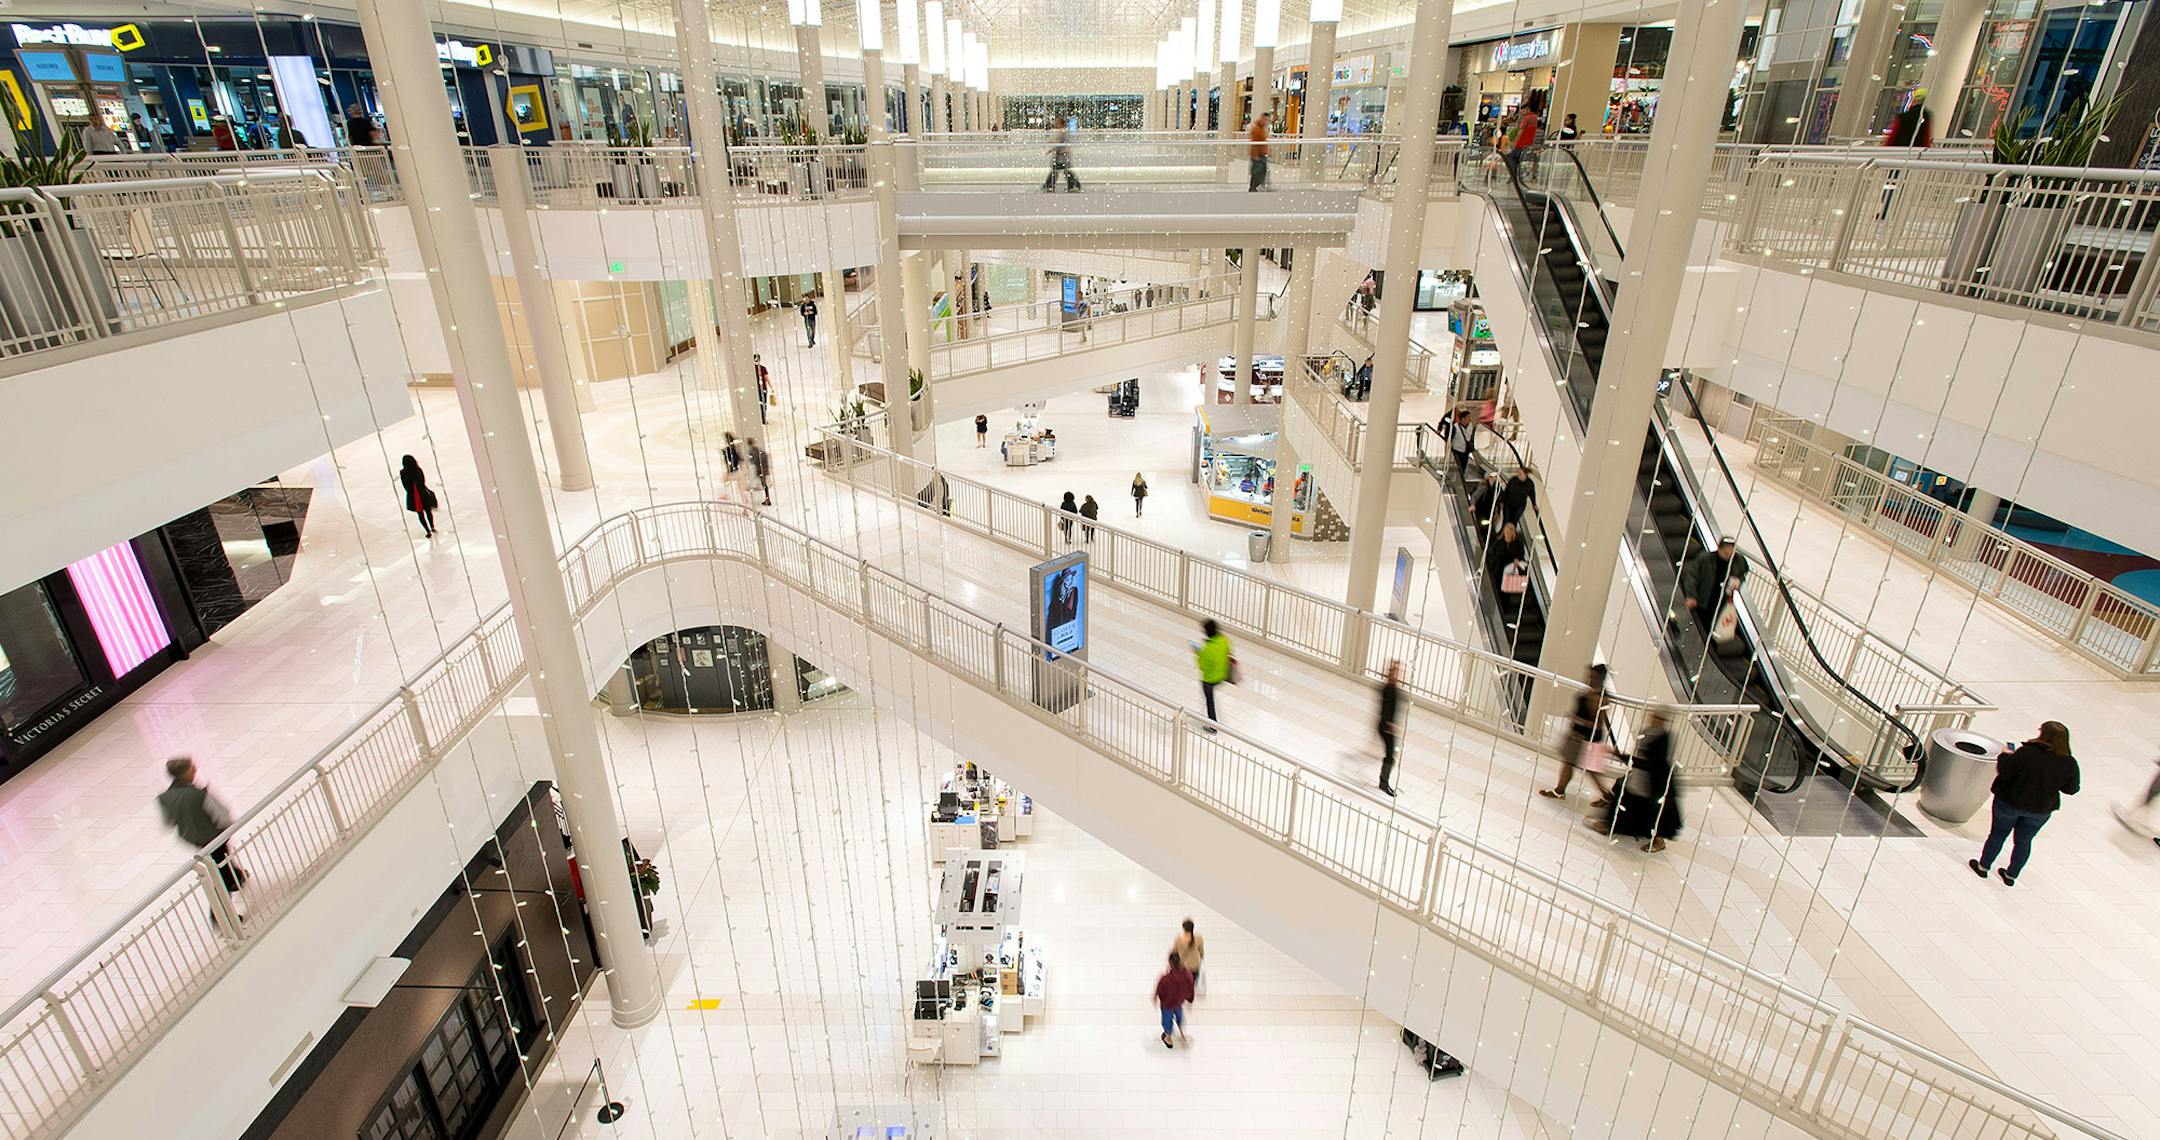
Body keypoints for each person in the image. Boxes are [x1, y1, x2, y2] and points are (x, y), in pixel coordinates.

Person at [1969, 722, 2080, 886]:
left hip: (2010, 803)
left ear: (2043, 735)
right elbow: (2071, 789)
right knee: (2024, 841)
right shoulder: (2069, 763)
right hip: (2040, 811)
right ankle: (2011, 875)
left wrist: (2005, 755)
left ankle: (1983, 866)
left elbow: (2005, 771)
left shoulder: (2027, 752)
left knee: (1998, 834)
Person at [1590, 708, 1681, 852]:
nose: (1653, 719)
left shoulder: (1662, 738)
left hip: (1653, 781)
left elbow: (1654, 762)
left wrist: (1624, 757)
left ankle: (1658, 840)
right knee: (1625, 797)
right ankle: (1611, 825)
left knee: (1653, 810)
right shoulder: (1648, 731)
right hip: (1640, 775)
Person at [158, 757, 246, 896]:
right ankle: (220, 912)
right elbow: (223, 815)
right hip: (214, 836)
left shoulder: (165, 797)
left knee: (220, 859)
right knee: (219, 867)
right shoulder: (200, 794)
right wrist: (227, 828)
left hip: (192, 837)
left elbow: (169, 822)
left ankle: (235, 877)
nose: (195, 769)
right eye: (193, 767)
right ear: (187, 773)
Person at [1544, 665, 1615, 802]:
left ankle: (1607, 797)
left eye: (1593, 677)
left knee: (1588, 769)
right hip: (1578, 736)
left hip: (1586, 738)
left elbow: (1598, 722)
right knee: (1572, 764)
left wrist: (1577, 720)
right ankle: (1560, 790)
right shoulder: (1592, 692)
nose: (1589, 679)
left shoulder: (1600, 696)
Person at [1681, 537, 1747, 632]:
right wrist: (1691, 596)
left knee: (1712, 625)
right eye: (1725, 550)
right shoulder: (1705, 559)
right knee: (1698, 624)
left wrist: (1739, 582)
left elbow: (1743, 573)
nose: (1728, 552)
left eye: (1730, 549)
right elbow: (1691, 576)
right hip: (1702, 600)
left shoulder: (1739, 561)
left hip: (1721, 602)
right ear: (1719, 548)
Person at [1193, 619, 1231, 730]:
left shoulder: (1207, 649)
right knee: (1211, 699)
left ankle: (1213, 726)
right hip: (1223, 675)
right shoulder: (1224, 640)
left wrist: (1198, 653)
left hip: (1209, 679)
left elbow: (1202, 666)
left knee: (1210, 701)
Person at [1154, 950, 1195, 1049]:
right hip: (1179, 1002)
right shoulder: (1188, 975)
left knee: (1166, 1020)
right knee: (1179, 1013)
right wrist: (1189, 999)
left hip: (1167, 1005)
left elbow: (1160, 993)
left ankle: (1168, 1037)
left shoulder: (1165, 979)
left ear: (1170, 964)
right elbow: (1191, 989)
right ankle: (1180, 1024)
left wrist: (1157, 998)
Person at [1377, 659, 1405, 796]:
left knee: (1391, 754)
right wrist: (1390, 724)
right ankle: (1384, 783)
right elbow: (1385, 709)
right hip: (1386, 727)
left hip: (1386, 725)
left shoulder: (1391, 688)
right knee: (1390, 755)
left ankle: (1384, 781)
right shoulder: (1389, 690)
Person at [1504, 92, 1541, 184]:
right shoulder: (1535, 118)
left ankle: (1514, 176)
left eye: (1523, 110)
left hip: (1521, 144)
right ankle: (1517, 176)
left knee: (1511, 158)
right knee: (1518, 159)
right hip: (1528, 144)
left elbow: (1521, 131)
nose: (1521, 112)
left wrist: (1515, 143)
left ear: (1527, 109)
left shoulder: (1527, 118)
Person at [399, 455, 438, 537]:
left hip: (413, 496)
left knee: (420, 514)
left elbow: (405, 485)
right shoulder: (418, 470)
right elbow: (423, 480)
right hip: (422, 493)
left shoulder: (403, 473)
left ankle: (427, 531)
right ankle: (432, 526)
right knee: (428, 511)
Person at [1042, 116, 1081, 192]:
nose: (1055, 124)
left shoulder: (1062, 132)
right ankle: (1073, 185)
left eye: (1057, 123)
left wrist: (1052, 148)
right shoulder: (1063, 131)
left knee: (1057, 170)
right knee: (1063, 171)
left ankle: (1049, 185)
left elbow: (1059, 143)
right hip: (1062, 155)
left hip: (1061, 155)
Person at [1172, 918, 1206, 993]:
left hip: (1183, 965)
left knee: (1184, 979)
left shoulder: (1178, 940)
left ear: (1183, 928)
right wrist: (1201, 957)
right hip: (1195, 964)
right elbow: (1201, 951)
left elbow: (1174, 952)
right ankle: (1191, 988)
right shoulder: (1199, 938)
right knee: (1193, 979)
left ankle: (1184, 989)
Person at [1247, 112, 1272, 191]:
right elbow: (1255, 143)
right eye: (1265, 120)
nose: (1266, 122)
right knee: (1258, 172)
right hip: (1258, 155)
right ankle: (1254, 188)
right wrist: (1255, 155)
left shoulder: (1261, 128)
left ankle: (1256, 187)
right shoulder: (1256, 129)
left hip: (1261, 154)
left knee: (1261, 171)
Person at [1447, 408, 1476, 476]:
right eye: (1468, 417)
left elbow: (1472, 436)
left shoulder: (1471, 426)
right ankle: (1458, 475)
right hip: (1458, 449)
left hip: (1466, 450)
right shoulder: (1455, 427)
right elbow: (1450, 437)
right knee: (1458, 464)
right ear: (1463, 418)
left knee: (1464, 464)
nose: (1469, 418)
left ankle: (1461, 475)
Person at [747, 438, 772, 505]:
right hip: (763, 469)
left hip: (760, 470)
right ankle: (767, 499)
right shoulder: (758, 449)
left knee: (764, 484)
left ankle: (768, 499)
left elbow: (754, 461)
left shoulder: (752, 451)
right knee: (764, 484)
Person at [721, 431, 746, 500]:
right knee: (740, 489)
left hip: (733, 472)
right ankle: (745, 504)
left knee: (724, 481)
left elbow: (729, 462)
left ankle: (726, 495)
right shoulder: (735, 448)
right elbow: (740, 459)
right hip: (738, 471)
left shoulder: (728, 450)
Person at [753, 354, 772, 422]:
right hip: (762, 388)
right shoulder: (763, 368)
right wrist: (771, 387)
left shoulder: (751, 369)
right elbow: (766, 378)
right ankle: (763, 419)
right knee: (763, 404)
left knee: (757, 404)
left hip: (754, 389)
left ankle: (757, 418)